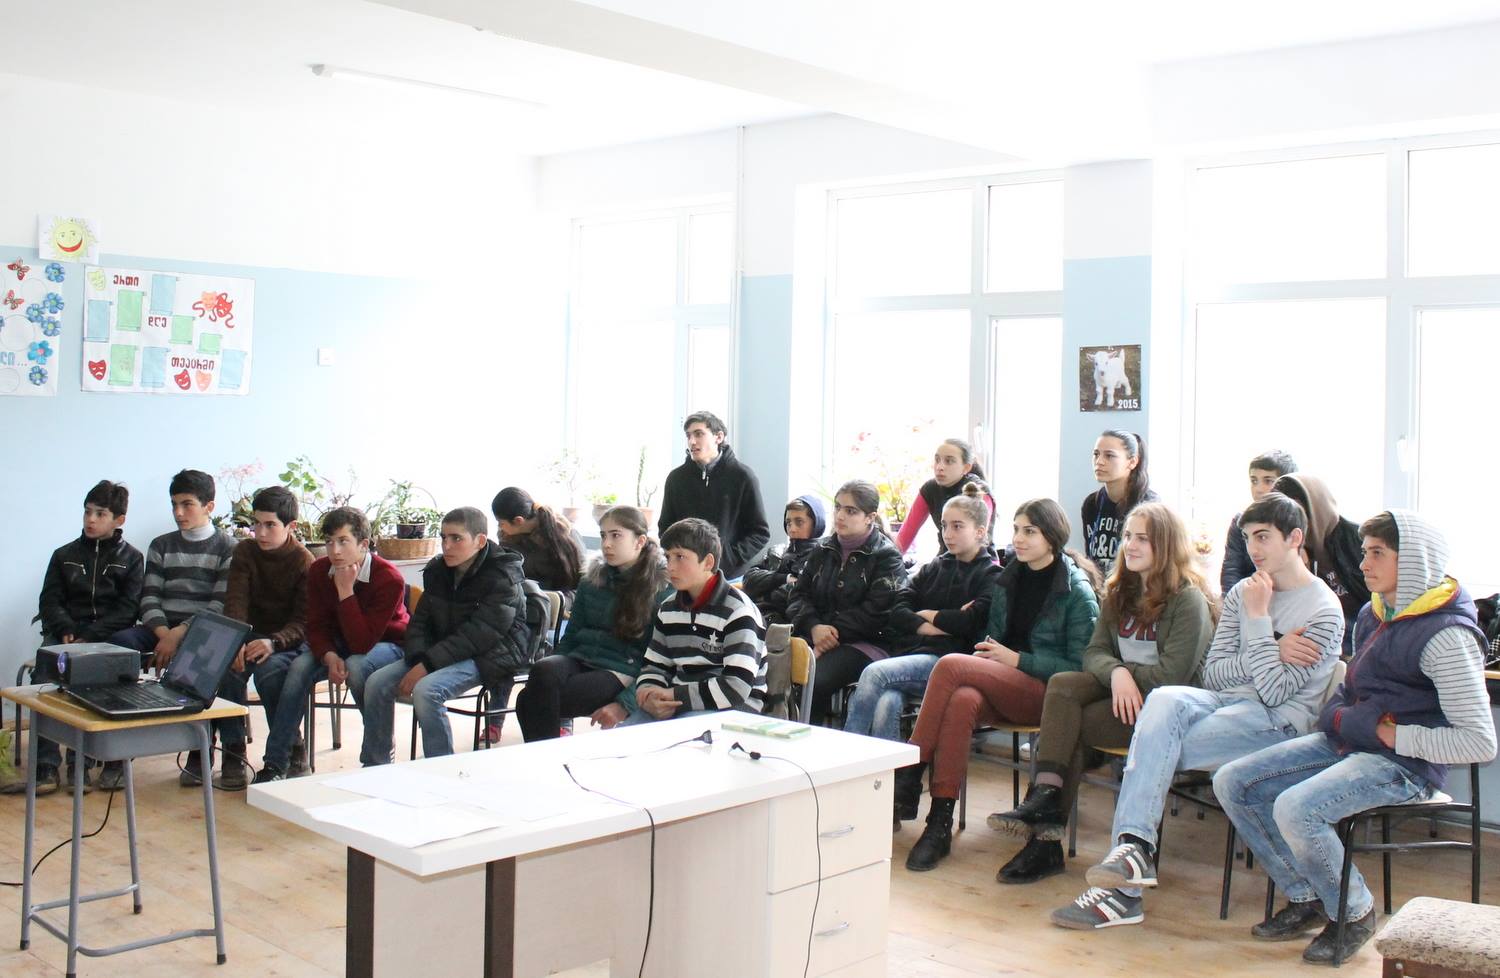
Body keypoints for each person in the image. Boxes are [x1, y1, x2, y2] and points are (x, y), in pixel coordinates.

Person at [1050, 491, 1345, 932]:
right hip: (1227, 703)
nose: (1253, 548)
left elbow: (1273, 692)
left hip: (1281, 723)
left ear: (1295, 538)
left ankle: (1124, 888)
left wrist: (1259, 624)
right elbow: (1214, 673)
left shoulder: (1323, 610)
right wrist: (1272, 648)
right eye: (1248, 537)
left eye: (1263, 536)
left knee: (1152, 743)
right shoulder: (1243, 591)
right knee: (1164, 700)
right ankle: (1134, 852)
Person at [1214, 511, 1496, 965]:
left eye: (1377, 553)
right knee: (1234, 781)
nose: (1363, 564)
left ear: (1415, 561)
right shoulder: (1372, 613)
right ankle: (1307, 895)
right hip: (1351, 740)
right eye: (1365, 552)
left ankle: (1354, 911)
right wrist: (1341, 714)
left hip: (1403, 765)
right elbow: (1352, 688)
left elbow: (1480, 742)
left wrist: (1393, 735)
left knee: (1296, 808)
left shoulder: (1447, 637)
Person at [988, 503, 1216, 884]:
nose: (1130, 545)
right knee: (1064, 685)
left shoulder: (1188, 600)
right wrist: (1117, 673)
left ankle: (1044, 836)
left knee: (1072, 725)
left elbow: (1170, 676)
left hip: (1164, 713)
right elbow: (1093, 653)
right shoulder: (1120, 592)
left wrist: (1122, 674)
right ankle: (1045, 806)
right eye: (1127, 536)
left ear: (1166, 544)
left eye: (1143, 539)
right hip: (1120, 696)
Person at [898, 498, 1101, 872]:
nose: (1018, 539)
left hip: (1049, 697)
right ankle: (939, 823)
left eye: (1030, 531)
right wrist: (995, 656)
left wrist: (1018, 660)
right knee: (962, 699)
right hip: (1004, 683)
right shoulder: (1009, 579)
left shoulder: (1076, 591)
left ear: (1052, 537)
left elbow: (1081, 668)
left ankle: (912, 769)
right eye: (1016, 530)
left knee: (950, 665)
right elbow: (991, 638)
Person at [361, 508, 530, 763]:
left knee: (428, 691)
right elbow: (420, 622)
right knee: (376, 682)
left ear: (480, 541)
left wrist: (427, 666)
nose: (447, 545)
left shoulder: (502, 576)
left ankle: (441, 766)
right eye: (443, 537)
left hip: (491, 655)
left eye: (456, 538)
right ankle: (377, 763)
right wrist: (419, 659)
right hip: (445, 652)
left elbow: (479, 635)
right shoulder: (438, 570)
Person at [844, 484, 1002, 753]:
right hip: (915, 654)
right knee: (887, 701)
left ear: (979, 531)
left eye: (957, 526)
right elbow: (897, 611)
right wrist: (938, 624)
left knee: (874, 673)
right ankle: (889, 773)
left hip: (953, 662)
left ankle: (847, 759)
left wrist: (926, 614)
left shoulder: (991, 575)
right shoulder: (934, 567)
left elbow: (969, 623)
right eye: (944, 526)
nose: (947, 534)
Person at [105, 469, 237, 790]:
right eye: (174, 504)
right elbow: (149, 597)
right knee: (119, 646)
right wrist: (164, 634)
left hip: (202, 632)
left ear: (209, 506)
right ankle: (115, 752)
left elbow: (219, 605)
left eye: (187, 504)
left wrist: (179, 634)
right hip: (160, 629)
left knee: (209, 661)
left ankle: (201, 752)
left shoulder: (228, 548)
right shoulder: (161, 545)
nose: (178, 512)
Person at [255, 507, 409, 779]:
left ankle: (379, 754)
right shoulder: (319, 570)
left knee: (358, 666)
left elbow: (362, 642)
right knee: (298, 668)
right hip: (339, 642)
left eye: (343, 541)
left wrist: (345, 590)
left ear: (363, 544)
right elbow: (316, 625)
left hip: (387, 643)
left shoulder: (389, 577)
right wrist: (327, 655)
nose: (334, 551)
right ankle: (276, 762)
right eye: (329, 542)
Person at [10, 481, 144, 796]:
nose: (91, 520)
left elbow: (127, 609)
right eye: (87, 512)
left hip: (106, 637)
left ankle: (80, 766)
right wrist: (66, 628)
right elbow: (49, 601)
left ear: (119, 520)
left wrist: (89, 636)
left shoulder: (132, 558)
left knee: (97, 682)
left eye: (100, 514)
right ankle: (45, 767)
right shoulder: (64, 555)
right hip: (64, 634)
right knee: (44, 679)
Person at [515, 506, 669, 741]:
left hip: (622, 668)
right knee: (543, 669)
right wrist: (556, 672)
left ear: (640, 541)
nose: (606, 544)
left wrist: (625, 703)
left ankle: (546, 758)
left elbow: (658, 661)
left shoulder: (661, 588)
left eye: (616, 535)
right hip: (582, 658)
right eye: (603, 535)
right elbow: (572, 634)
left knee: (527, 701)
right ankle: (550, 757)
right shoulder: (592, 580)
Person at [786, 481, 910, 725]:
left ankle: (807, 742)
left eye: (851, 511)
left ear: (870, 517)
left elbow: (878, 612)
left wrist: (829, 634)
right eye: (838, 507)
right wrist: (814, 627)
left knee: (814, 679)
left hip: (867, 643)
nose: (840, 516)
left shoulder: (886, 556)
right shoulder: (822, 550)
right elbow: (798, 596)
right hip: (817, 636)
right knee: (773, 670)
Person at [628, 518, 767, 722]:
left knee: (680, 737)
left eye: (680, 557)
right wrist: (649, 694)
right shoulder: (668, 608)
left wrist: (674, 696)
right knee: (627, 734)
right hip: (679, 702)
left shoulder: (739, 611)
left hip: (734, 709)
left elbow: (736, 687)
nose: (670, 567)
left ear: (708, 562)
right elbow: (655, 665)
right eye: (668, 557)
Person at [225, 487, 315, 777]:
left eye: (270, 525)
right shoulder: (245, 551)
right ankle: (233, 750)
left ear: (291, 526)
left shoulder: (303, 561)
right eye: (256, 523)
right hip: (250, 635)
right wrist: (235, 640)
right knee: (227, 670)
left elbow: (303, 622)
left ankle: (293, 748)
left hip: (287, 641)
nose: (260, 532)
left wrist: (274, 642)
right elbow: (235, 602)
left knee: (270, 674)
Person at [656, 410, 770, 579]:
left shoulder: (743, 477)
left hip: (729, 577)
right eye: (688, 436)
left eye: (698, 434)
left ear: (719, 437)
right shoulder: (676, 479)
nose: (692, 441)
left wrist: (727, 558)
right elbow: (666, 528)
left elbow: (760, 533)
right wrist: (681, 557)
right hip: (685, 575)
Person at [1274, 472, 1372, 653]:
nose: (1289, 522)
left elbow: (1378, 604)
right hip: (1319, 635)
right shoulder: (1285, 548)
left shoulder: (1359, 539)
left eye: (1296, 512)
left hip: (1362, 631)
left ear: (1316, 509)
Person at [895, 438, 996, 556]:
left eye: (949, 461)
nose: (939, 467)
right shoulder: (929, 489)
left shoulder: (978, 490)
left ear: (966, 468)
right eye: (937, 460)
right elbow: (904, 539)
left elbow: (975, 542)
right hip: (946, 559)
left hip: (980, 560)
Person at [1082, 430, 1159, 578]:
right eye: (1096, 454)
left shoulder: (1149, 505)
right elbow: (1090, 558)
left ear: (1132, 462)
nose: (1099, 461)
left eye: (1109, 456)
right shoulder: (1091, 504)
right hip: (1100, 587)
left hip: (1134, 587)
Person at [491, 486, 585, 607]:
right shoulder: (507, 540)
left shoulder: (567, 536)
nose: (499, 527)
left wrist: (558, 602)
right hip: (523, 603)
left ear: (518, 521)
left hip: (559, 604)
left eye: (501, 523)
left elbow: (583, 585)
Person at [1221, 450, 1298, 595]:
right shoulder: (1240, 522)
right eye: (1254, 481)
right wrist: (1234, 604)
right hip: (1247, 597)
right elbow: (1231, 572)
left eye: (1268, 481)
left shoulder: (1298, 523)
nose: (1258, 489)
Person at [741, 495, 827, 625]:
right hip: (754, 614)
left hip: (787, 624)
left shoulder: (821, 556)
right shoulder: (777, 551)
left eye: (799, 522)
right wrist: (784, 578)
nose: (792, 529)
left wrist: (762, 589)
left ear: (815, 523)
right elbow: (748, 580)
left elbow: (792, 596)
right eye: (788, 523)